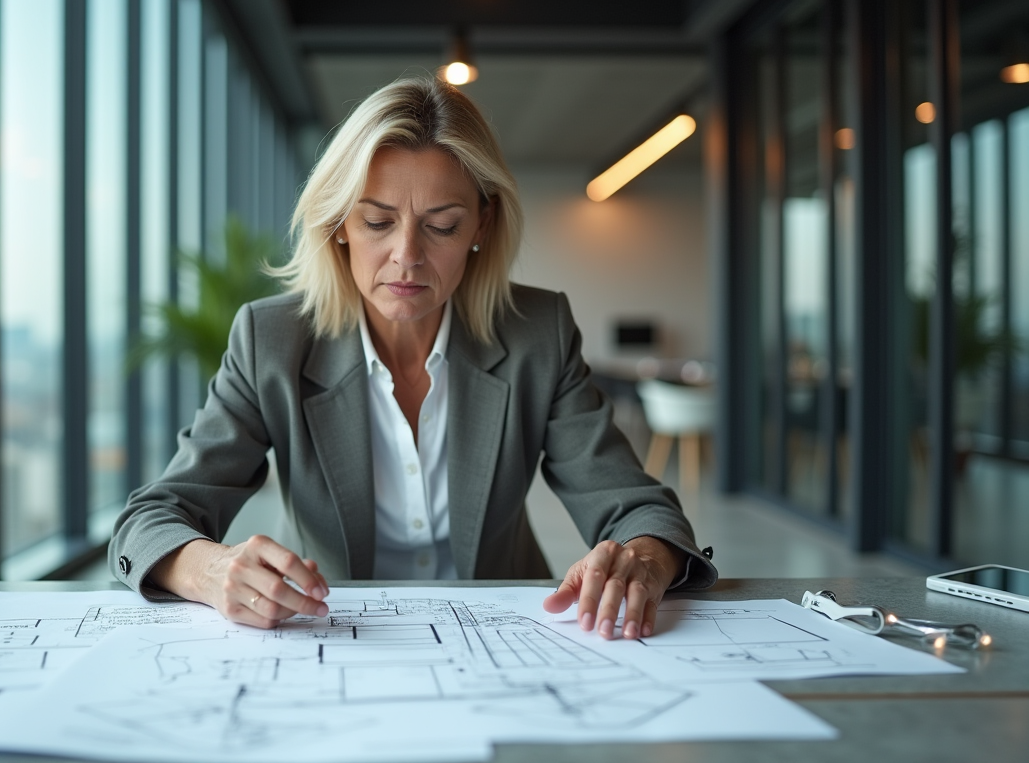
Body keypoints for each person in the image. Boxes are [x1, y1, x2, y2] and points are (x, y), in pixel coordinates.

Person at [109, 77, 717, 641]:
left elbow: (639, 507)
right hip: (336, 637)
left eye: (443, 227)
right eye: (377, 221)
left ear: (482, 224)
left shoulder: (539, 333)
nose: (407, 256)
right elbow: (151, 518)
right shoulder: (271, 340)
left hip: (501, 638)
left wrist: (640, 559)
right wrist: (210, 569)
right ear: (339, 223)